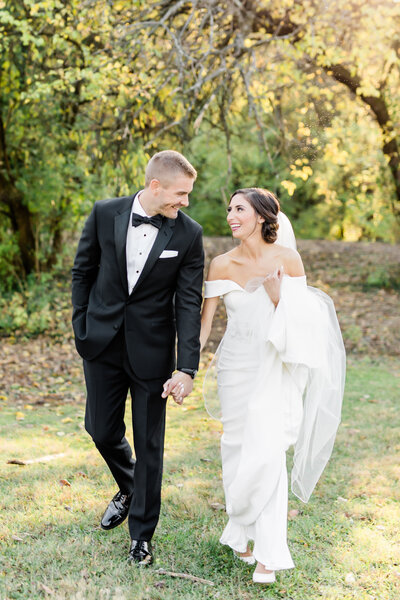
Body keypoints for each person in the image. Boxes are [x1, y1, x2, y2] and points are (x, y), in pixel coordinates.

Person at [200, 188, 345, 584]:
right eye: (229, 209)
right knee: (235, 448)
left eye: (239, 209)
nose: (230, 215)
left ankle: (269, 554)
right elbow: (205, 326)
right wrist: (181, 368)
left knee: (267, 454)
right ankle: (239, 529)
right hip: (235, 369)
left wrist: (279, 297)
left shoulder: (288, 259)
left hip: (276, 368)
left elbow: (306, 326)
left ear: (262, 217)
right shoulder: (220, 265)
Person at [71, 150, 204, 566]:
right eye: (180, 194)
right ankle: (130, 486)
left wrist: (186, 366)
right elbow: (82, 272)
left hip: (152, 352)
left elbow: (187, 302)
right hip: (101, 344)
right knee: (100, 429)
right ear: (154, 186)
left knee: (149, 444)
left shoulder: (189, 234)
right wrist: (81, 325)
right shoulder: (104, 213)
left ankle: (141, 538)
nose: (184, 202)